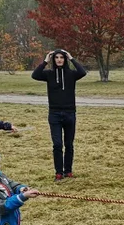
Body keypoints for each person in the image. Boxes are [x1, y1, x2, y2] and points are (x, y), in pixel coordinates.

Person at [31, 49, 87, 181]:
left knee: (69, 144)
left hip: (69, 113)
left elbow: (82, 72)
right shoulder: (49, 74)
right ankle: (58, 172)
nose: (59, 60)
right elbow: (35, 75)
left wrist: (71, 57)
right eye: (56, 57)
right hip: (54, 114)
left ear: (65, 59)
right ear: (53, 60)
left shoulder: (72, 74)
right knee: (57, 144)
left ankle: (68, 171)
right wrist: (45, 61)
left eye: (62, 57)